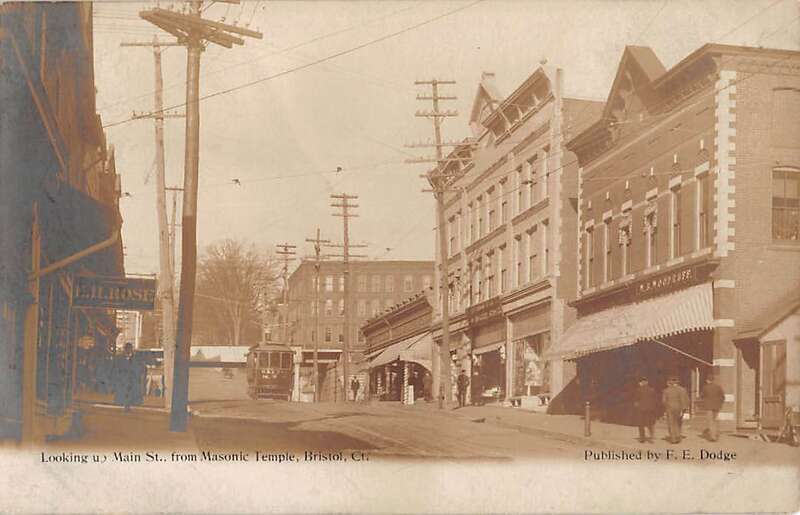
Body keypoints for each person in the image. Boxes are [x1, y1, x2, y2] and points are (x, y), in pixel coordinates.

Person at [662, 376, 690, 444]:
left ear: (670, 382)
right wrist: (684, 409)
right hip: (679, 408)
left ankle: (673, 439)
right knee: (678, 422)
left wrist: (666, 408)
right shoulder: (682, 389)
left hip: (669, 408)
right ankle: (678, 436)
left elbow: (663, 401)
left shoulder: (666, 390)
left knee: (671, 423)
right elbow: (686, 400)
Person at [632, 377, 659, 443]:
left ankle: (642, 438)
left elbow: (636, 401)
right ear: (647, 382)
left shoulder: (638, 390)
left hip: (641, 409)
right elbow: (655, 400)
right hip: (650, 409)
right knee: (650, 424)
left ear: (641, 383)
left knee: (641, 424)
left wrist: (637, 406)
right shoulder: (652, 390)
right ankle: (651, 438)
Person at [702, 375, 725, 441]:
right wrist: (719, 404)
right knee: (715, 420)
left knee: (710, 421)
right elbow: (722, 397)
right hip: (717, 406)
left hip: (709, 407)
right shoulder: (718, 387)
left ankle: (713, 437)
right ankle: (715, 434)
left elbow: (702, 396)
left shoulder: (705, 387)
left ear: (707, 380)